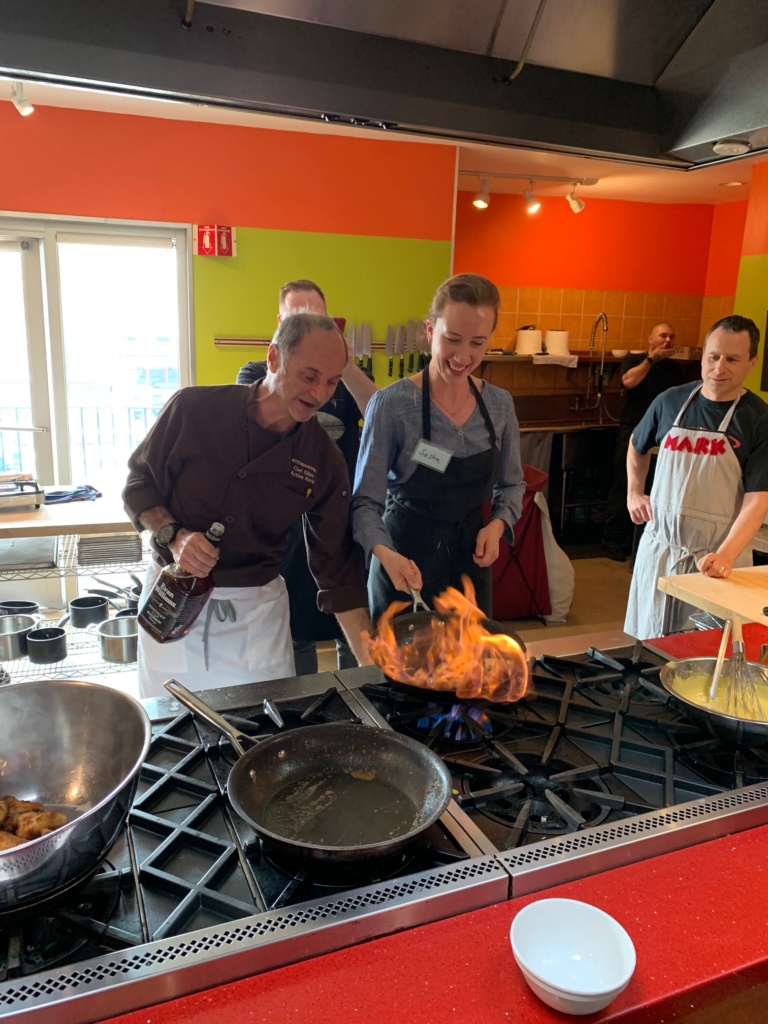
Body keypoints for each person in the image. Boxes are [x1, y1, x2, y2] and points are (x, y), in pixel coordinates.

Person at [123, 312, 372, 699]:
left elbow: (336, 566)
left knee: (265, 732)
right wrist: (174, 536)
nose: (321, 393)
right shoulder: (193, 410)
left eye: (332, 381)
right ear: (274, 358)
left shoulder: (323, 459)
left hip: (255, 616)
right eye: (310, 375)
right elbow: (139, 483)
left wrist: (374, 667)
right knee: (173, 733)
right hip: (175, 597)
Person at [352, 272, 526, 624]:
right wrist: (384, 554)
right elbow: (365, 502)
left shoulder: (499, 406)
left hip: (468, 571)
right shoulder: (392, 406)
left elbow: (512, 484)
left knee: (472, 672)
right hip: (403, 568)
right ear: (430, 332)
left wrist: (497, 525)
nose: (463, 355)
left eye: (477, 343)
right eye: (453, 339)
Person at [236, 279, 377, 675]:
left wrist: (344, 365)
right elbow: (260, 429)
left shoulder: (345, 377)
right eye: (299, 317)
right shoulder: (254, 372)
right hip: (287, 524)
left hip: (339, 517)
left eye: (318, 317)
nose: (319, 391)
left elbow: (381, 414)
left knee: (350, 610)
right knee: (295, 629)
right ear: (281, 323)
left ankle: (364, 698)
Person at [624, 314, 768, 639]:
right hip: (660, 551)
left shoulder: (758, 420)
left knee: (700, 655)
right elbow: (637, 444)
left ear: (752, 363)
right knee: (646, 642)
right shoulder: (670, 400)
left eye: (732, 359)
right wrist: (635, 492)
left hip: (715, 562)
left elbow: (758, 501)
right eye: (713, 356)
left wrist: (726, 556)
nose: (719, 368)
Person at [602, 322, 684, 561]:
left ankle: (642, 541)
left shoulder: (675, 370)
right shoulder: (635, 360)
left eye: (671, 336)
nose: (667, 340)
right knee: (624, 484)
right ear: (651, 339)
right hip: (633, 430)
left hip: (663, 435)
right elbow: (629, 381)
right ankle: (613, 539)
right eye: (662, 336)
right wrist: (651, 360)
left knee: (654, 488)